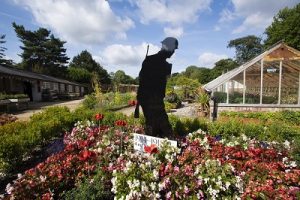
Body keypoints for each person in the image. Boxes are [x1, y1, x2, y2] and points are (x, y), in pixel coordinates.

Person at [136, 37, 178, 138]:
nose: (173, 52)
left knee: (153, 125)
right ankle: (165, 145)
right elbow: (143, 79)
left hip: (148, 98)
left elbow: (141, 77)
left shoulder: (151, 60)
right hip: (152, 98)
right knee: (161, 126)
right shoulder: (164, 65)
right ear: (167, 47)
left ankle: (154, 145)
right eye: (173, 49)